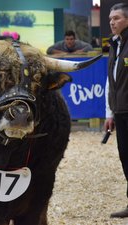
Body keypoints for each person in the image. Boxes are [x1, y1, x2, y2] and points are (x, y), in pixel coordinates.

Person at [104, 3, 128, 218]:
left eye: (117, 18)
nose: (112, 22)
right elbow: (110, 82)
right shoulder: (115, 44)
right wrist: (109, 114)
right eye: (111, 18)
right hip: (121, 112)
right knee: (126, 158)